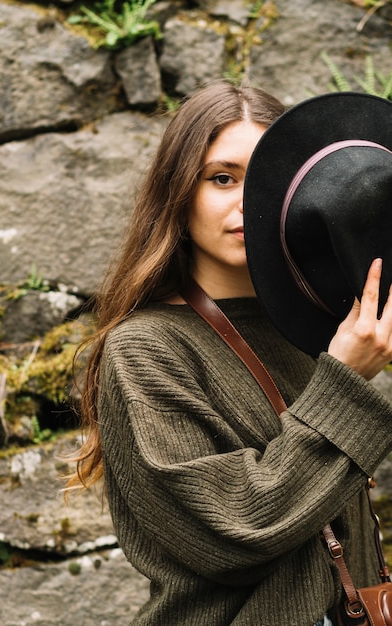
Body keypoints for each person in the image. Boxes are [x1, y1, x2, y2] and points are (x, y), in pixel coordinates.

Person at [66, 79, 392, 625]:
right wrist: (344, 381)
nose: (248, 201)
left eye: (268, 179)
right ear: (178, 193)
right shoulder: (146, 348)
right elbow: (233, 531)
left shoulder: (322, 334)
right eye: (222, 178)